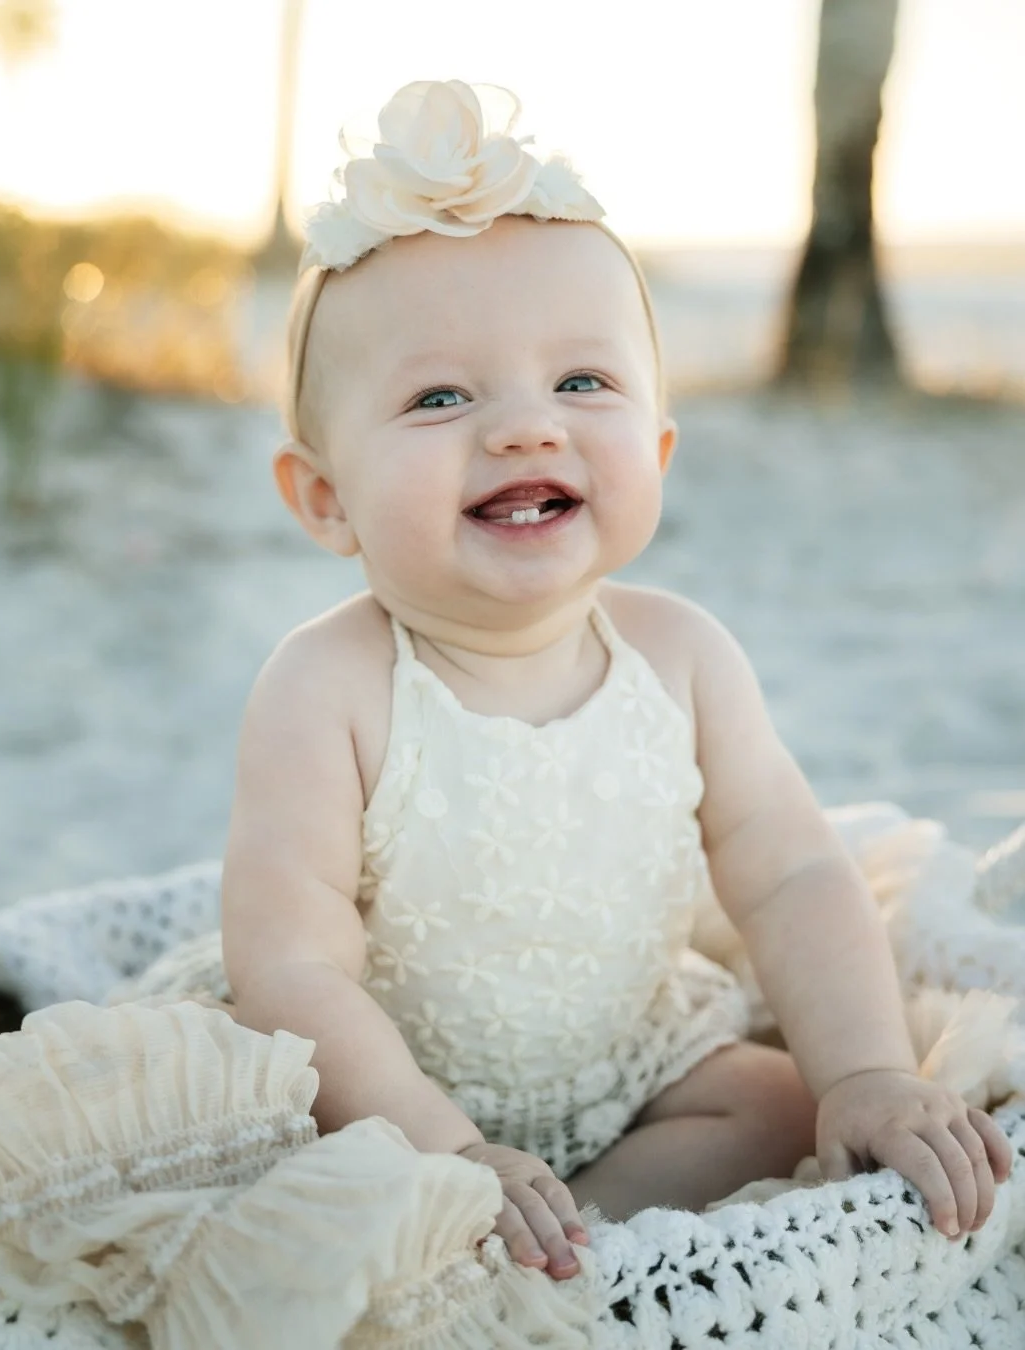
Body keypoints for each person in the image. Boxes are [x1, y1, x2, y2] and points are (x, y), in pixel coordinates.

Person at [222, 79, 1012, 1283]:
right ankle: (496, 1231)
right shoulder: (324, 687)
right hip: (387, 1097)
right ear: (325, 498)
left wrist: (862, 1069)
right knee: (288, 1196)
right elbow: (290, 968)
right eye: (442, 397)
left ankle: (574, 1244)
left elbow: (795, 870)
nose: (527, 429)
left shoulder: (681, 655)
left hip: (634, 1060)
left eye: (581, 384)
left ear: (654, 452)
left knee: (783, 1107)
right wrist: (447, 1148)